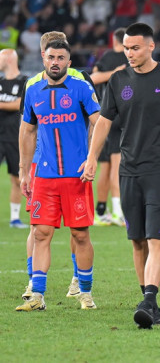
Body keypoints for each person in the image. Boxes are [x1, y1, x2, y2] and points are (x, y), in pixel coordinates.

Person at [81, 22, 160, 329]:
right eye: (126, 48)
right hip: (129, 171)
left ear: (150, 46)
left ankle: (149, 299)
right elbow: (104, 122)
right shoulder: (118, 80)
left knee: (156, 239)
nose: (129, 53)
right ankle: (149, 300)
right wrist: (92, 157)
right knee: (137, 242)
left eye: (135, 48)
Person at [17, 39, 100, 312]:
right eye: (51, 57)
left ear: (69, 61)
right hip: (44, 175)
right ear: (43, 58)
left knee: (80, 235)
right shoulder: (32, 89)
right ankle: (37, 295)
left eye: (61, 58)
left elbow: (99, 122)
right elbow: (28, 131)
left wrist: (91, 158)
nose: (55, 62)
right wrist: (24, 170)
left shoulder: (81, 87)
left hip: (76, 176)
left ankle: (85, 293)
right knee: (41, 233)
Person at [89, 27, 127, 226]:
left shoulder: (105, 58)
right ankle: (117, 211)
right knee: (116, 165)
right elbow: (92, 79)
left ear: (114, 39)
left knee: (106, 166)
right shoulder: (128, 58)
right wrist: (115, 73)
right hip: (120, 117)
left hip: (105, 117)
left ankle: (101, 210)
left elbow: (93, 78)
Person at [0, 48, 26, 228]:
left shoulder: (24, 81)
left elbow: (19, 104)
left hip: (13, 136)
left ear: (9, 59)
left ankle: (15, 218)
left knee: (17, 178)